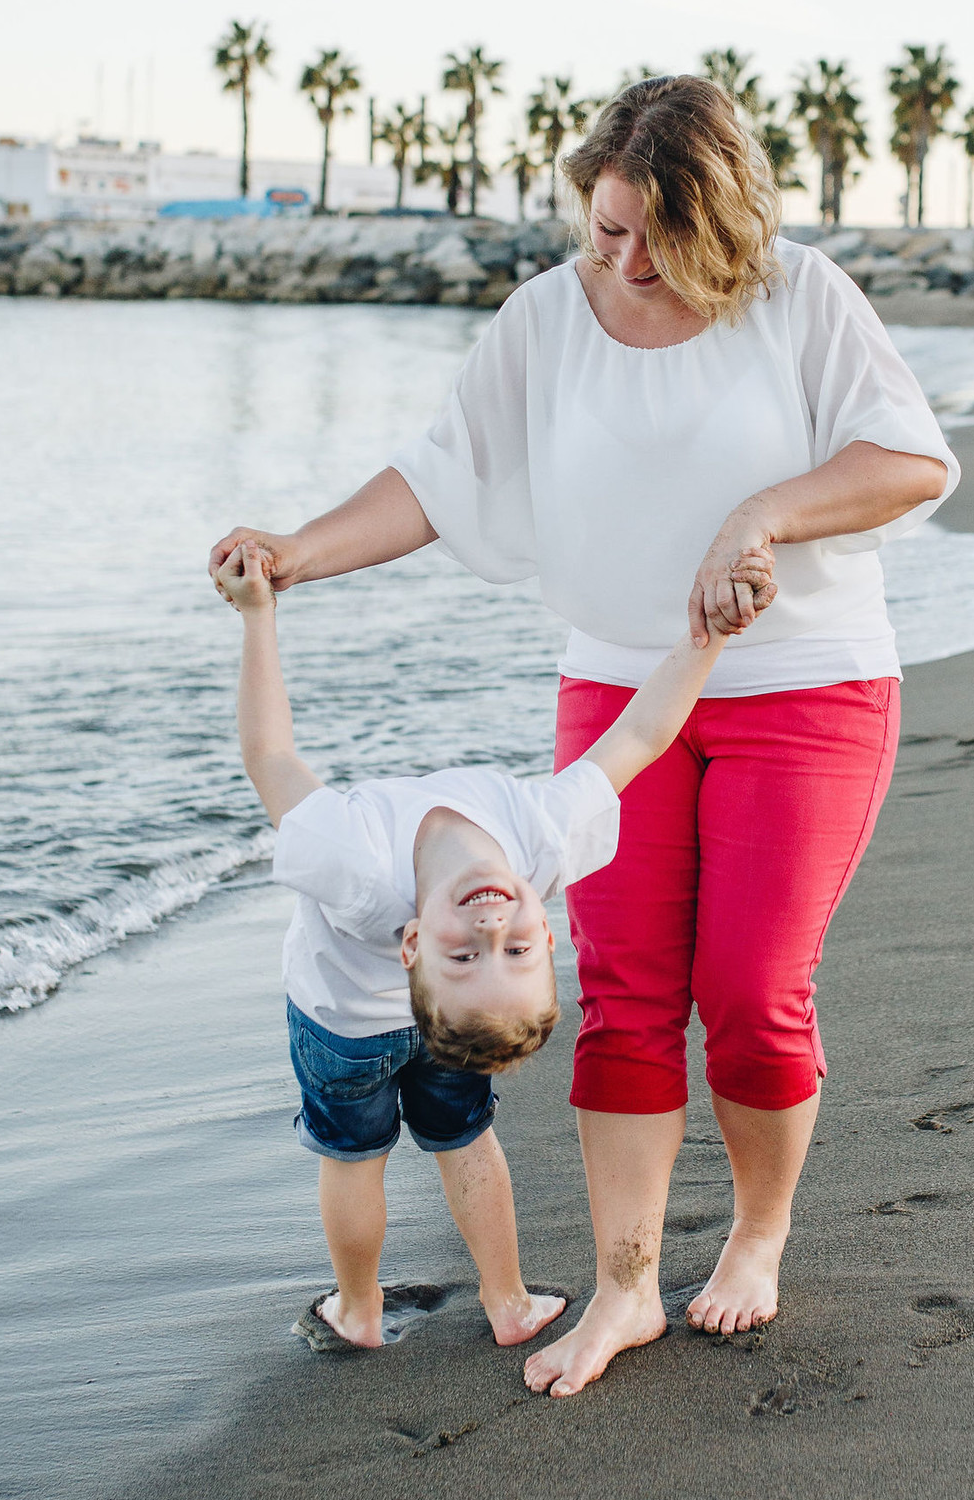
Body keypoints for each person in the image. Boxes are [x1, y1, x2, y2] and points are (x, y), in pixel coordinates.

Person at [210, 73, 956, 1397]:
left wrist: (765, 516)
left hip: (807, 688)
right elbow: (442, 478)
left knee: (748, 989)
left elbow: (908, 459)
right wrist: (296, 555)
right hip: (618, 693)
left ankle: (757, 1239)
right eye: (604, 230)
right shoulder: (548, 319)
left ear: (724, 221)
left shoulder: (799, 298)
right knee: (619, 999)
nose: (623, 262)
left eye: (655, 239)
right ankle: (621, 1290)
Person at [213, 524, 767, 1353]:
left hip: (340, 1030)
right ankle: (506, 1303)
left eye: (464, 953)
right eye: (512, 949)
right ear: (546, 932)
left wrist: (258, 617)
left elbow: (268, 754)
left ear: (412, 948)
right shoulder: (541, 838)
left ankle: (358, 1310)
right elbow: (641, 735)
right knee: (463, 1140)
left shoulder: (352, 862)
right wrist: (711, 636)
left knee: (352, 1155)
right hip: (431, 1033)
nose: (488, 927)